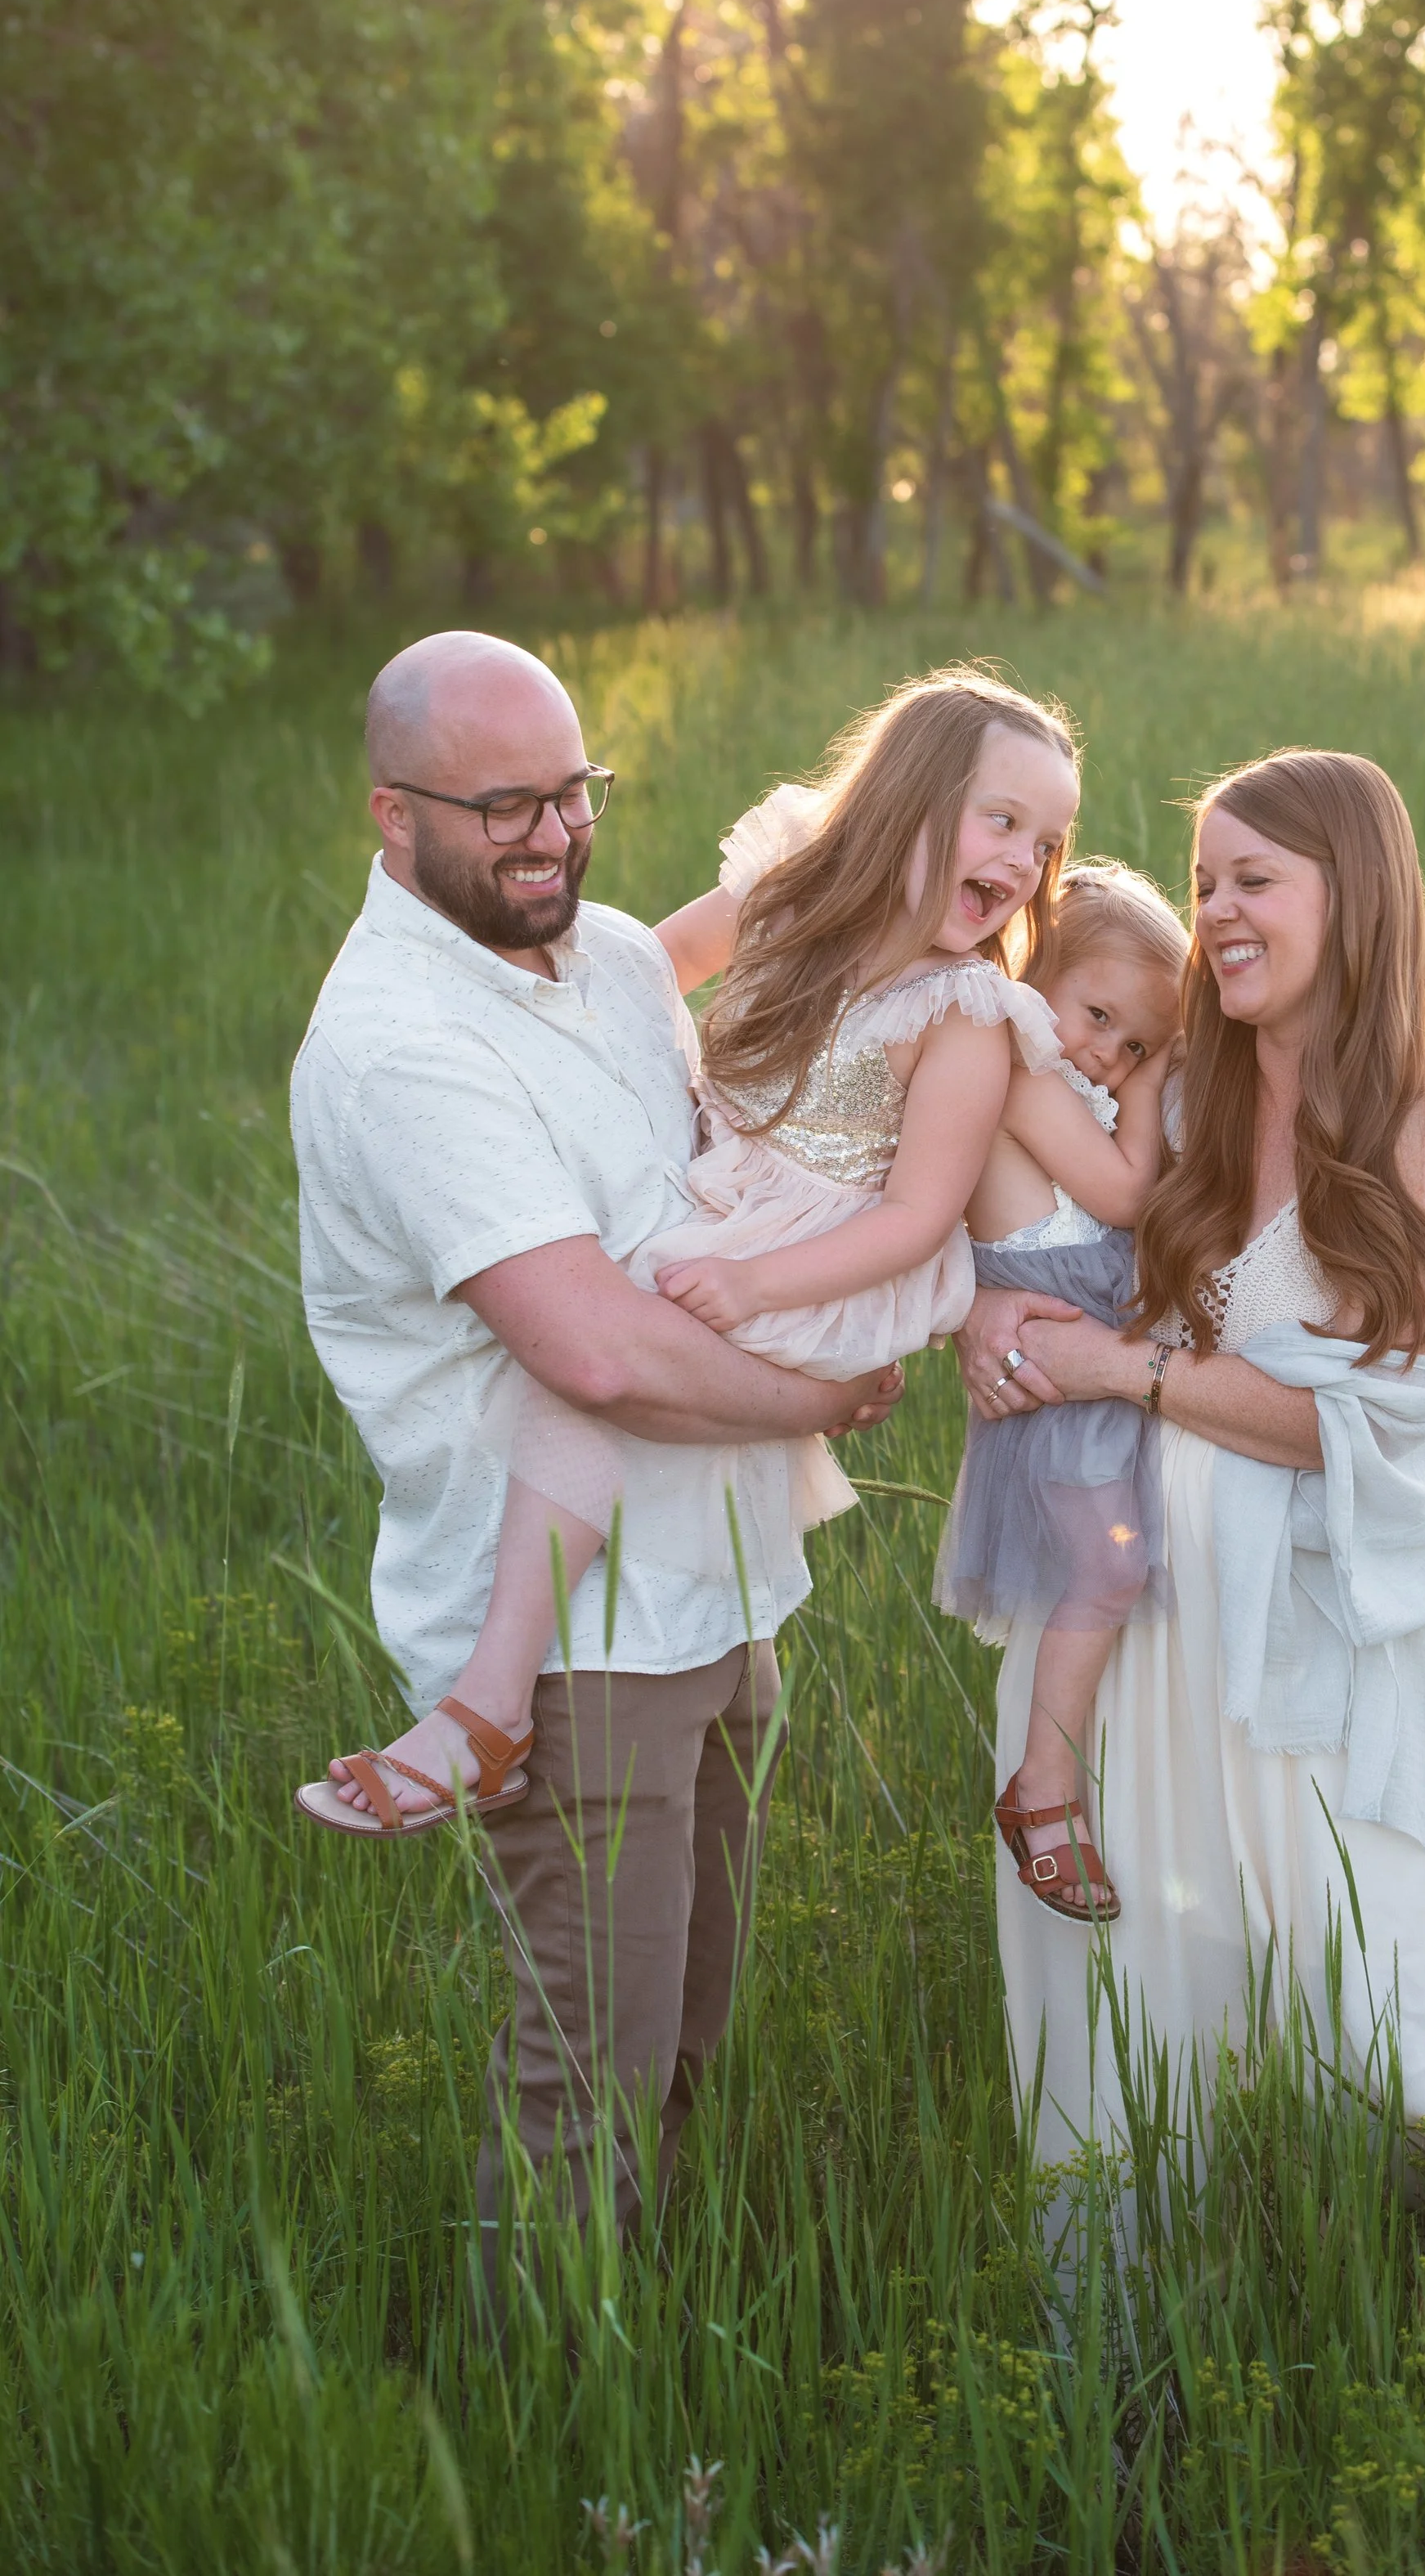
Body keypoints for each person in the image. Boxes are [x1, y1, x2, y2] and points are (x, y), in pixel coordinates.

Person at [955, 751, 1425, 2327]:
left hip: (1341, 1656)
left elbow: (1390, 1433)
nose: (1215, 911)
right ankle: (1157, 2377)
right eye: (1205, 881)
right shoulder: (1175, 1092)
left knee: (1399, 2007)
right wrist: (986, 1313)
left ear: (1359, 894)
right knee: (1151, 2031)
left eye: (1252, 878)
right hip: (1141, 1643)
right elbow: (1038, 1238)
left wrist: (1128, 1370)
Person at [288, 630, 904, 2269]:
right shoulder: (403, 1046)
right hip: (574, 1639)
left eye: (574, 793)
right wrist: (823, 1397)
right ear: (390, 813)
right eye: (504, 806)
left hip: (707, 1582)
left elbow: (744, 951)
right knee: (591, 2077)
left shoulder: (609, 955)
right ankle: (547, 2439)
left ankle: (665, 2358)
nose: (551, 834)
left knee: (687, 2028)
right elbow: (595, 1351)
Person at [298, 665, 1082, 1840]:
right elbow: (633, 992)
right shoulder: (417, 1040)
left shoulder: (950, 1006)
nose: (1023, 863)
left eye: (1047, 841)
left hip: (783, 1382)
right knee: (598, 1365)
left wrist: (821, 1285)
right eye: (1001, 821)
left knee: (601, 1371)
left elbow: (925, 1208)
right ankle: (489, 1708)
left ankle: (487, 1708)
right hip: (621, 1575)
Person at [936, 862, 1189, 1923]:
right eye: (1096, 1016)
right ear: (1029, 964)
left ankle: (1061, 1777)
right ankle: (1045, 1784)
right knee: (1108, 1576)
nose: (1106, 1054)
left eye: (1132, 1043)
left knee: (1113, 1572)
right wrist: (1147, 1084)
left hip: (1089, 1376)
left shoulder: (1049, 1074)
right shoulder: (1019, 1071)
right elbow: (1131, 1191)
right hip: (1061, 1386)